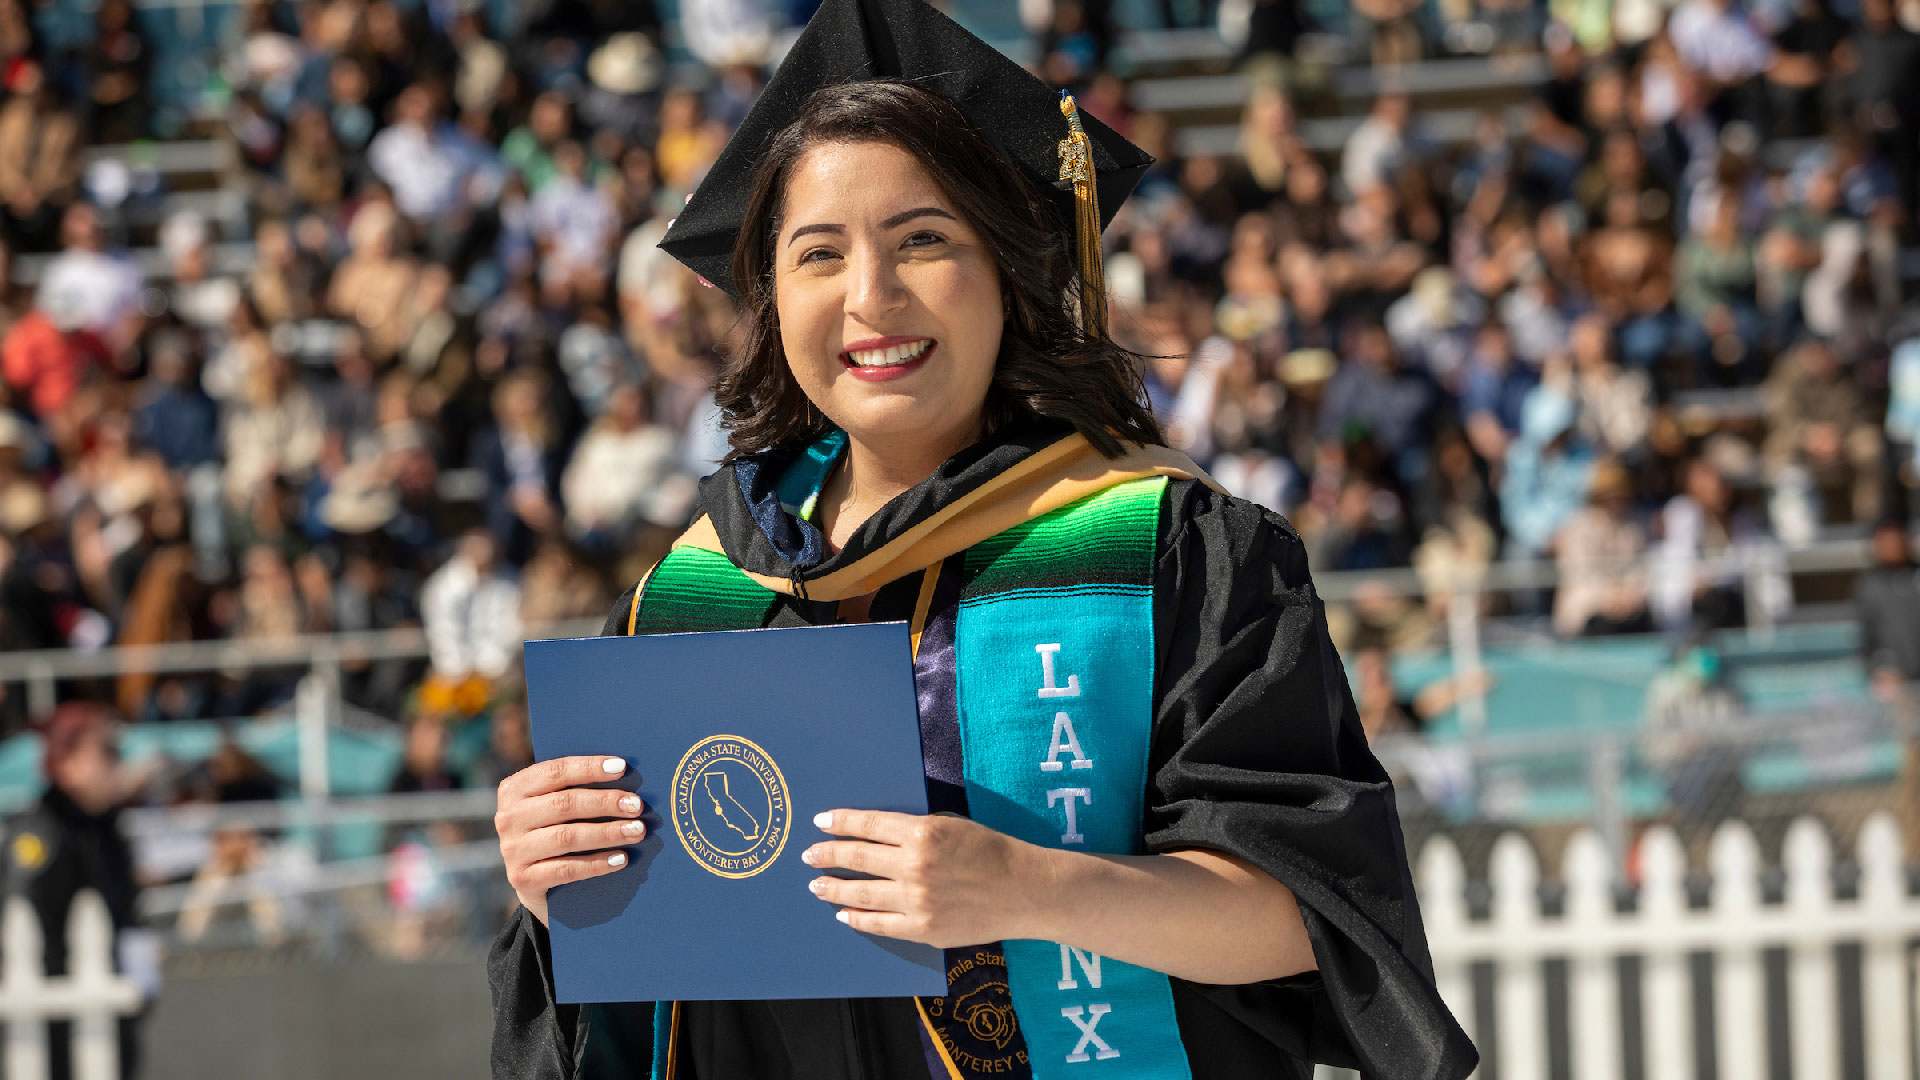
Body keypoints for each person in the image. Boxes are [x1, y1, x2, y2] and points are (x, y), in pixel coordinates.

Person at [488, 3, 1475, 1079]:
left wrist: (1024, 888)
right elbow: (614, 1008)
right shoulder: (689, 598)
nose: (871, 298)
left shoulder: (1166, 550)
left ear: (1011, 270)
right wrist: (554, 885)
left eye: (924, 240)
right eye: (819, 254)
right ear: (771, 295)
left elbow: (1310, 920)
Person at [1, 703, 148, 1079]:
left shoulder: (107, 831)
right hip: (45, 1029)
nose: (116, 764)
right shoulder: (39, 833)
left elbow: (127, 914)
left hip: (103, 1016)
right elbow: (18, 922)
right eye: (107, 752)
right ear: (65, 763)